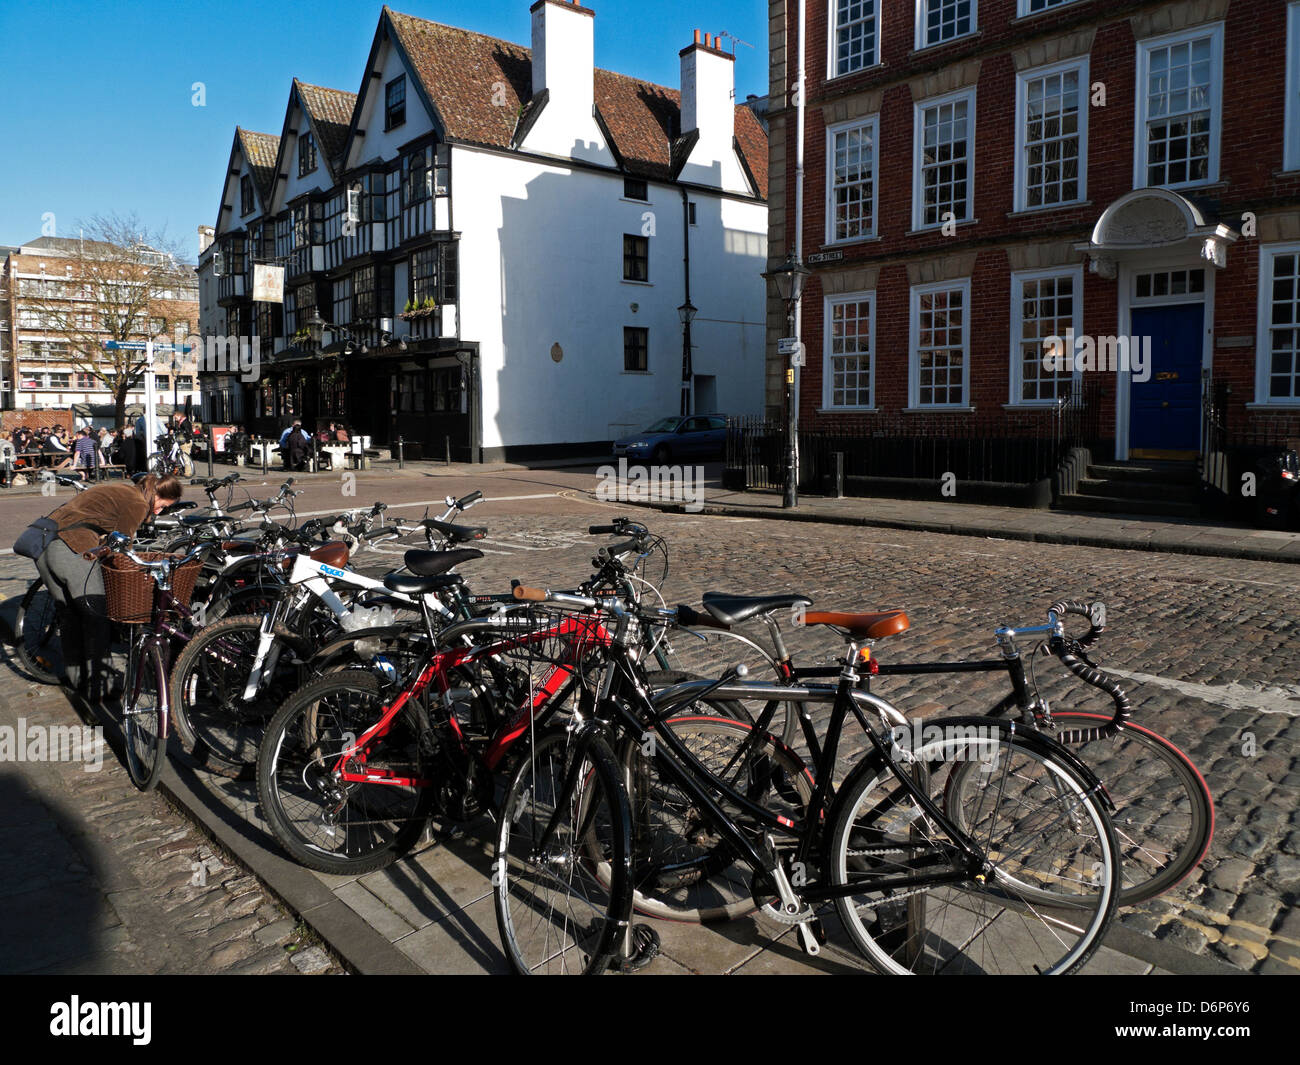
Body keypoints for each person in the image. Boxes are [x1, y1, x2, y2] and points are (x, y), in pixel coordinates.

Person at [33, 473, 183, 700]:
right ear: (157, 494)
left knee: (70, 616)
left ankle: (77, 680)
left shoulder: (121, 489)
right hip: (72, 550)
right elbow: (122, 547)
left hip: (43, 547)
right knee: (96, 617)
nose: (159, 511)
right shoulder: (138, 503)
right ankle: (100, 689)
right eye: (162, 505)